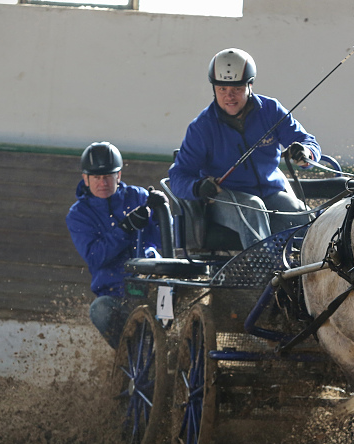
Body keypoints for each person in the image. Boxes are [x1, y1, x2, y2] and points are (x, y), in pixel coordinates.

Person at [168, 48, 321, 249]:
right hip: (227, 197)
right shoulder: (202, 127)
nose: (229, 96)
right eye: (222, 89)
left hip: (271, 191)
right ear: (213, 88)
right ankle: (266, 274)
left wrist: (305, 152)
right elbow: (179, 177)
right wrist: (197, 187)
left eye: (237, 89)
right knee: (252, 207)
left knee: (303, 215)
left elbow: (307, 141)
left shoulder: (271, 111)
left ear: (250, 85)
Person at [66, 141, 166, 348]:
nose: (102, 182)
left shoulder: (139, 197)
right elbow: (95, 256)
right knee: (100, 310)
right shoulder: (79, 215)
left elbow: (165, 239)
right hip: (116, 295)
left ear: (118, 176)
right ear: (85, 179)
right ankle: (131, 357)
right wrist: (125, 228)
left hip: (153, 284)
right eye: (96, 177)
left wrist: (163, 211)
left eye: (108, 177)